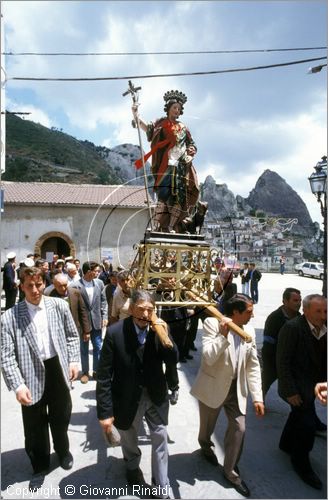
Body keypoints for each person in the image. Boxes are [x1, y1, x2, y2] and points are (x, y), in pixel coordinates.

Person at [1, 267, 80, 491]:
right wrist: (17, 384)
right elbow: (6, 356)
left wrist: (74, 361)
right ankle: (40, 465)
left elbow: (72, 336)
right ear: (21, 287)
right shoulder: (9, 318)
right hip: (30, 374)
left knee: (61, 415)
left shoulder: (59, 306)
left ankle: (63, 451)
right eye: (29, 286)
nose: (35, 290)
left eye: (38, 285)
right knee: (34, 426)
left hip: (57, 368)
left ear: (44, 283)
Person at [96, 290, 178, 498]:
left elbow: (172, 359)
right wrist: (105, 413)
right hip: (127, 397)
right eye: (140, 309)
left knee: (160, 437)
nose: (144, 314)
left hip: (155, 395)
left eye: (149, 310)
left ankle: (161, 484)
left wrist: (164, 334)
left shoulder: (159, 329)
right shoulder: (115, 333)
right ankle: (132, 468)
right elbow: (104, 375)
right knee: (130, 438)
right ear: (131, 309)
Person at [190, 294, 264, 498]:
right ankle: (205, 446)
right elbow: (208, 358)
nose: (253, 315)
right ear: (236, 312)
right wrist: (222, 336)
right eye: (249, 311)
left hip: (235, 389)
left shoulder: (248, 330)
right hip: (212, 386)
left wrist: (257, 397)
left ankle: (230, 471)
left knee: (239, 428)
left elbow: (252, 365)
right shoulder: (212, 323)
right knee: (207, 428)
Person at [277, 294, 327, 490]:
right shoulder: (292, 328)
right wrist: (290, 392)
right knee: (306, 425)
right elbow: (283, 362)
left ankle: (285, 444)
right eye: (318, 311)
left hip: (314, 385)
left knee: (298, 415)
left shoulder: (324, 327)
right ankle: (301, 462)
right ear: (305, 311)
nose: (323, 316)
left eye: (326, 311)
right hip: (296, 387)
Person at [133, 89, 199, 233]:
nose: (177, 110)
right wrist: (136, 114)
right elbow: (147, 128)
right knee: (163, 196)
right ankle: (157, 225)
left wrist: (190, 154)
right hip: (166, 166)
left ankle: (171, 226)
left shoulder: (184, 128)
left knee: (178, 199)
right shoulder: (160, 123)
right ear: (169, 108)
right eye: (174, 107)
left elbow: (192, 144)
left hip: (180, 167)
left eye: (179, 109)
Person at [71, 261, 108, 384]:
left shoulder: (99, 283)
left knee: (98, 346)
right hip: (83, 323)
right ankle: (85, 372)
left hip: (97, 321)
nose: (98, 273)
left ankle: (96, 371)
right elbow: (75, 308)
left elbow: (103, 301)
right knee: (84, 348)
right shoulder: (75, 286)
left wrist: (105, 316)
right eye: (96, 271)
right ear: (88, 272)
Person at [261, 287, 301, 397]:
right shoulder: (274, 318)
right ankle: (259, 400)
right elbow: (268, 343)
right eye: (295, 300)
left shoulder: (299, 317)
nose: (299, 304)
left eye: (300, 300)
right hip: (273, 358)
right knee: (266, 381)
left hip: (291, 358)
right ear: (285, 301)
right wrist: (275, 361)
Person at [49, 273, 92, 340]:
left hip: (75, 329)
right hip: (59, 332)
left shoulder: (75, 293)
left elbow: (83, 311)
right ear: (54, 285)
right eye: (60, 286)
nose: (63, 288)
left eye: (65, 285)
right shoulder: (50, 296)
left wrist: (86, 331)